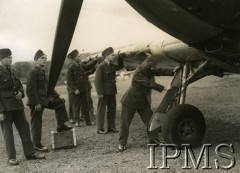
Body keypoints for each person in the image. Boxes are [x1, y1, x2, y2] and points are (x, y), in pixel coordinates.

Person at [118, 52, 175, 152]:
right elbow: (149, 83)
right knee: (125, 123)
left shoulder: (146, 69)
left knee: (150, 120)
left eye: (149, 60)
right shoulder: (138, 73)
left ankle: (153, 140)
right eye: (147, 61)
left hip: (141, 101)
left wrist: (173, 71)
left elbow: (159, 71)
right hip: (130, 101)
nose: (150, 62)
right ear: (140, 62)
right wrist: (164, 87)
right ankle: (122, 143)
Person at [0, 48, 45, 165]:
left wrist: (21, 93)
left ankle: (30, 153)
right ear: (1, 59)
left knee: (24, 129)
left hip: (18, 106)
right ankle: (11, 157)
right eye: (7, 58)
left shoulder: (13, 70)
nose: (10, 59)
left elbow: (19, 85)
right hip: (5, 108)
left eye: (10, 57)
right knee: (8, 133)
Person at [26, 49, 72, 152]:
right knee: (36, 123)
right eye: (42, 58)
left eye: (45, 58)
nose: (44, 60)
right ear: (36, 60)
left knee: (60, 103)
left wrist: (57, 96)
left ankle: (61, 126)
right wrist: (36, 103)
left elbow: (49, 87)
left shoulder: (43, 71)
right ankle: (37, 145)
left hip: (45, 99)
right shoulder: (33, 72)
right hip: (37, 101)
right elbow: (30, 90)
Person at [94, 47, 124, 134]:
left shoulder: (112, 65)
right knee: (101, 110)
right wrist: (100, 92)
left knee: (112, 109)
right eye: (112, 55)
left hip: (111, 91)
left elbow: (120, 66)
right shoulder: (101, 66)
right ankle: (99, 128)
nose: (114, 56)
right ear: (107, 56)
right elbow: (97, 81)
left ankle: (111, 127)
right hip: (104, 92)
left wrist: (120, 57)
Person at [66, 50, 97, 126]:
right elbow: (69, 81)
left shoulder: (80, 65)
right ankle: (77, 122)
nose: (80, 57)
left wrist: (95, 61)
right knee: (76, 106)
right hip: (76, 91)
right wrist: (75, 89)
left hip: (83, 89)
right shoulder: (71, 67)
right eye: (78, 56)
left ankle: (88, 121)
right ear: (74, 58)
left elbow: (87, 66)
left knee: (86, 105)